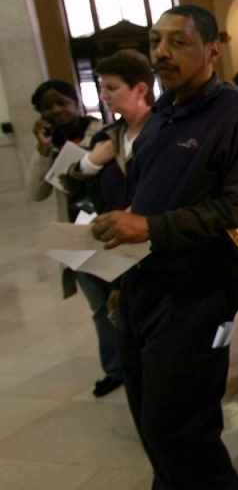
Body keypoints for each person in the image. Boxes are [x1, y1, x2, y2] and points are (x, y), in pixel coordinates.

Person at [90, 5, 238, 489]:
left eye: (178, 41)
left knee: (181, 430)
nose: (162, 53)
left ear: (212, 48)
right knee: (151, 425)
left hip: (196, 293)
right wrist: (123, 274)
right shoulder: (162, 115)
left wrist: (149, 228)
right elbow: (148, 194)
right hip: (142, 286)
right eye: (156, 42)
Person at [64, 49, 154, 397]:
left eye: (113, 88)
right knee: (112, 313)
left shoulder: (162, 130)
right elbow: (71, 183)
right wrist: (89, 161)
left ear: (140, 89)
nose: (104, 95)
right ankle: (127, 374)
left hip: (149, 243)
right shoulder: (107, 138)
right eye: (103, 88)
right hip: (110, 244)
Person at [26, 80, 104, 217]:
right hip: (71, 220)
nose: (56, 110)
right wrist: (43, 150)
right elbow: (36, 194)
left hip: (105, 213)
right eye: (48, 107)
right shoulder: (49, 146)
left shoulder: (102, 135)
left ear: (76, 104)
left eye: (62, 103)